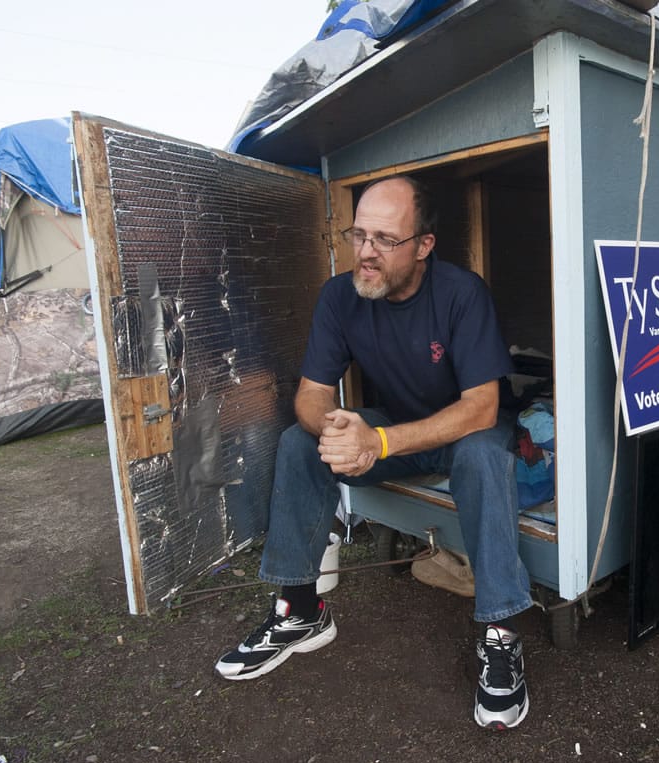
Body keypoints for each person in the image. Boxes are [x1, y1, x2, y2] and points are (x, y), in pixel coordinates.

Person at [214, 175, 533, 731]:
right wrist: (339, 429)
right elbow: (311, 397)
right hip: (404, 430)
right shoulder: (340, 296)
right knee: (298, 440)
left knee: (482, 456)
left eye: (385, 239)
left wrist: (377, 441)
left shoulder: (462, 293)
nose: (365, 251)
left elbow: (481, 408)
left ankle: (500, 636)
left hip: (469, 432)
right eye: (359, 234)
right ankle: (301, 612)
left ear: (423, 246)